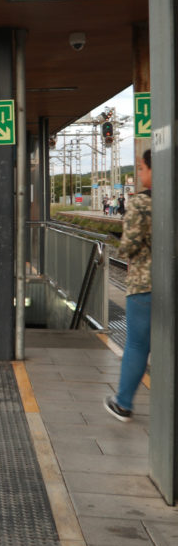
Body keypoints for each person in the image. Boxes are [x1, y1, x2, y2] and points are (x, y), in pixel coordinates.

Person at [106, 149, 151, 422]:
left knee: (137, 344)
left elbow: (130, 245)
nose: (140, 174)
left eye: (143, 168)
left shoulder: (140, 203)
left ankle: (123, 404)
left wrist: (123, 246)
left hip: (145, 284)